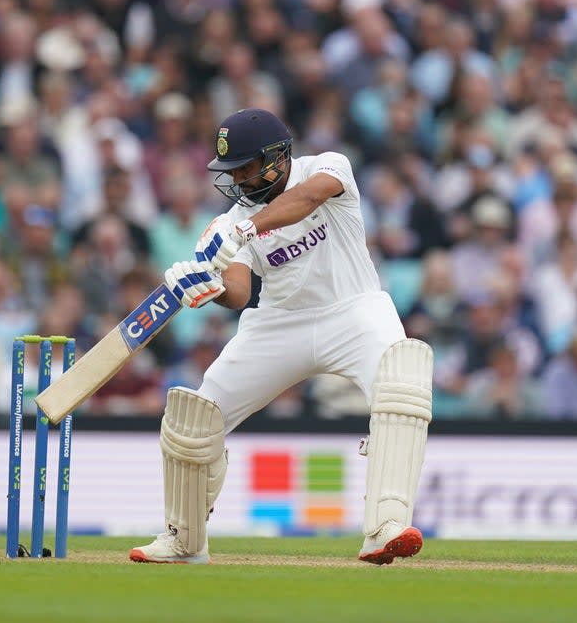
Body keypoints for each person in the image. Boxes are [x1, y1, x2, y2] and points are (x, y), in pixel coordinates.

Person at [130, 109, 432, 565]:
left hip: (355, 309)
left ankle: (385, 526)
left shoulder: (326, 167)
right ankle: (184, 540)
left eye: (247, 168)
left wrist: (248, 228)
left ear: (278, 158)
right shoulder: (231, 221)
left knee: (402, 380)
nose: (238, 180)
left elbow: (310, 198)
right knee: (194, 417)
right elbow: (239, 291)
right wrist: (208, 284)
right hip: (280, 323)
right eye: (232, 172)